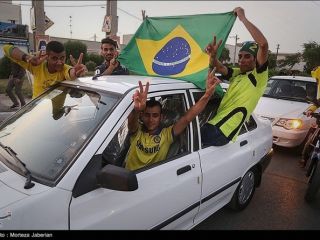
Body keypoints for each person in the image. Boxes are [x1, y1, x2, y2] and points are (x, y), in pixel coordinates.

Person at [125, 72, 221, 171]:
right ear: (141, 116)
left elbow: (187, 118)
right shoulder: (137, 132)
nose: (150, 119)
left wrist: (207, 94)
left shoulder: (166, 135)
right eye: (147, 115)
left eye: (155, 115)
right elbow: (132, 123)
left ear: (161, 117)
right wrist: (137, 110)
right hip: (127, 178)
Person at [202, 7, 269, 146]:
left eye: (247, 56)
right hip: (215, 123)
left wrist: (242, 18)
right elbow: (219, 67)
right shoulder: (238, 73)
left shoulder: (259, 76)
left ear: (255, 59)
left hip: (223, 131)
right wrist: (213, 56)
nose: (241, 60)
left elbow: (263, 44)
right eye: (240, 56)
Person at [3, 41, 87, 99]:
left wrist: (76, 72)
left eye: (62, 58)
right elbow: (6, 48)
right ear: (47, 57)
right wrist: (27, 58)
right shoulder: (36, 65)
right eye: (54, 58)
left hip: (57, 113)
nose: (59, 62)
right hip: (37, 109)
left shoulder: (64, 68)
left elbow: (71, 73)